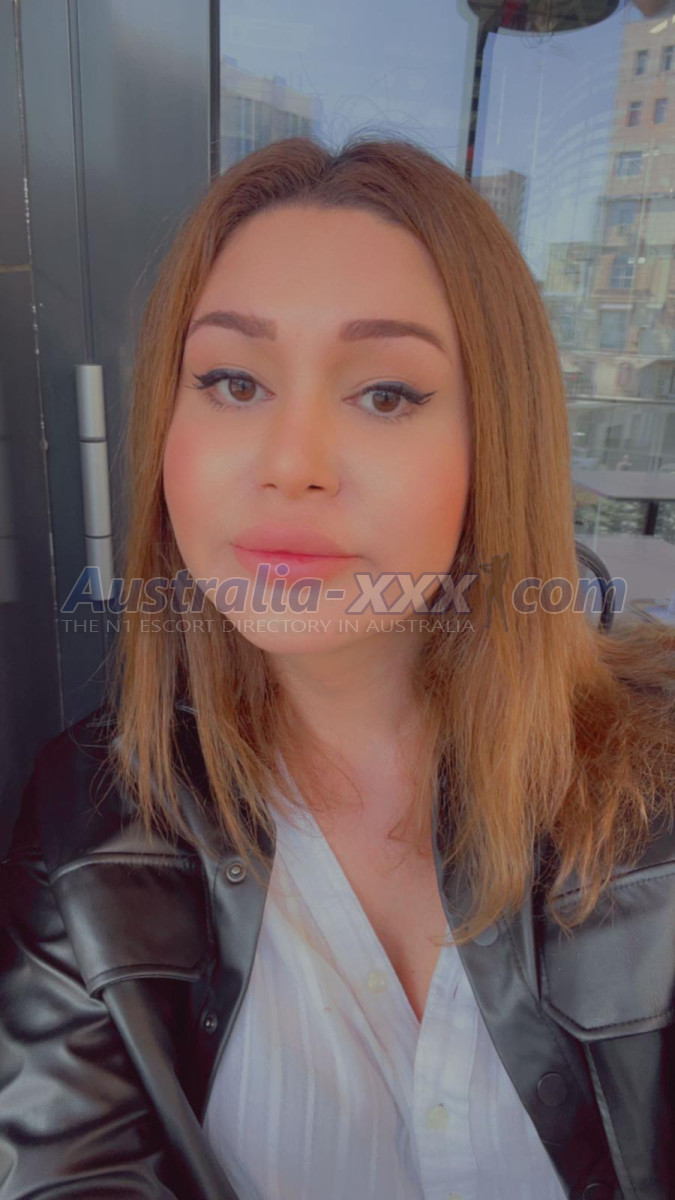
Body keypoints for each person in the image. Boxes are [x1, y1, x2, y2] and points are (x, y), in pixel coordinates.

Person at [1, 134, 674, 1200]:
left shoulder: (657, 786)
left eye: (387, 395)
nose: (291, 464)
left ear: (495, 444)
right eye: (232, 381)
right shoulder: (88, 822)